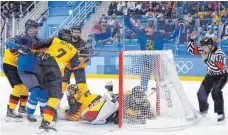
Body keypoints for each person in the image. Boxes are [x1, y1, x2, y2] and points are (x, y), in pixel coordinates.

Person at [30, 29, 78, 132]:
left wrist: (36, 49)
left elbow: (36, 45)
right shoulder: (73, 49)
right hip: (55, 69)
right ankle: (46, 121)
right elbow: (74, 65)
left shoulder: (54, 40)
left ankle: (41, 112)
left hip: (41, 66)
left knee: (43, 91)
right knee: (55, 98)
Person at [7, 19, 48, 122]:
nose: (35, 30)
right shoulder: (22, 38)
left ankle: (44, 112)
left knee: (44, 90)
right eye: (32, 28)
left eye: (36, 28)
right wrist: (18, 47)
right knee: (35, 90)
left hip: (37, 70)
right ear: (27, 29)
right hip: (25, 71)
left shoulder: (39, 40)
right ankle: (30, 114)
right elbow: (9, 42)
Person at [187, 32, 227, 122]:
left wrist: (206, 60)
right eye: (201, 47)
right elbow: (191, 51)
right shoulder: (204, 50)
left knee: (216, 91)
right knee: (201, 93)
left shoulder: (219, 53)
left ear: (210, 45)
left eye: (204, 46)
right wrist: (192, 39)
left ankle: (221, 114)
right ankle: (203, 111)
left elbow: (218, 69)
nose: (202, 49)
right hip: (210, 75)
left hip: (221, 76)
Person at [3, 37, 28, 121]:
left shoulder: (29, 43)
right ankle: (10, 110)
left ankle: (22, 108)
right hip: (9, 66)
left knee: (24, 88)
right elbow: (9, 43)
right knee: (18, 87)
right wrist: (18, 47)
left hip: (16, 67)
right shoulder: (17, 39)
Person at [62, 26, 90, 99]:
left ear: (80, 33)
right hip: (67, 66)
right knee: (62, 85)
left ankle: (85, 102)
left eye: (78, 32)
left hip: (78, 67)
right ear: (71, 33)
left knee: (82, 86)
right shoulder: (65, 42)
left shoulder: (84, 44)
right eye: (75, 32)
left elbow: (87, 57)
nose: (76, 34)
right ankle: (55, 103)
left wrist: (81, 59)